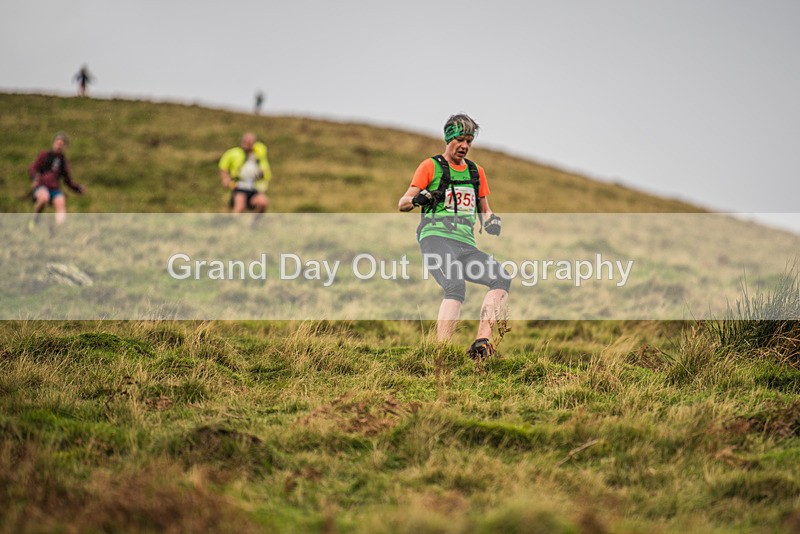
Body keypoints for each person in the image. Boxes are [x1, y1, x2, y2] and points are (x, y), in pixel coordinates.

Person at [398, 114, 510, 361]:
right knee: (455, 285)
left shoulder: (475, 171)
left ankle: (481, 343)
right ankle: (442, 351)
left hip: (466, 244)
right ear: (448, 138)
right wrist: (419, 199)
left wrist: (491, 220)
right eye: (460, 139)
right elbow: (403, 203)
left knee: (501, 277)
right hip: (435, 238)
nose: (465, 145)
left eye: (469, 141)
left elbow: (485, 209)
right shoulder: (431, 166)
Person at [28, 132, 86, 230]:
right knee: (43, 199)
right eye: (57, 143)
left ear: (65, 147)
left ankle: (57, 229)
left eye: (62, 144)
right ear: (54, 143)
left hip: (54, 189)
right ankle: (35, 220)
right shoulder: (44, 155)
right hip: (42, 185)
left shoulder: (63, 162)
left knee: (61, 203)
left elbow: (68, 181)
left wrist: (77, 188)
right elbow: (33, 168)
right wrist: (34, 178)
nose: (59, 146)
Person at [218, 133, 273, 221]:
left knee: (263, 202)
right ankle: (233, 227)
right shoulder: (234, 153)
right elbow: (223, 166)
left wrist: (262, 174)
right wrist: (226, 179)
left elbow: (266, 170)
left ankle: (253, 225)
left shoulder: (259, 155)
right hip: (239, 186)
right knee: (240, 206)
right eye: (247, 143)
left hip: (254, 187)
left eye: (251, 143)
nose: (249, 145)